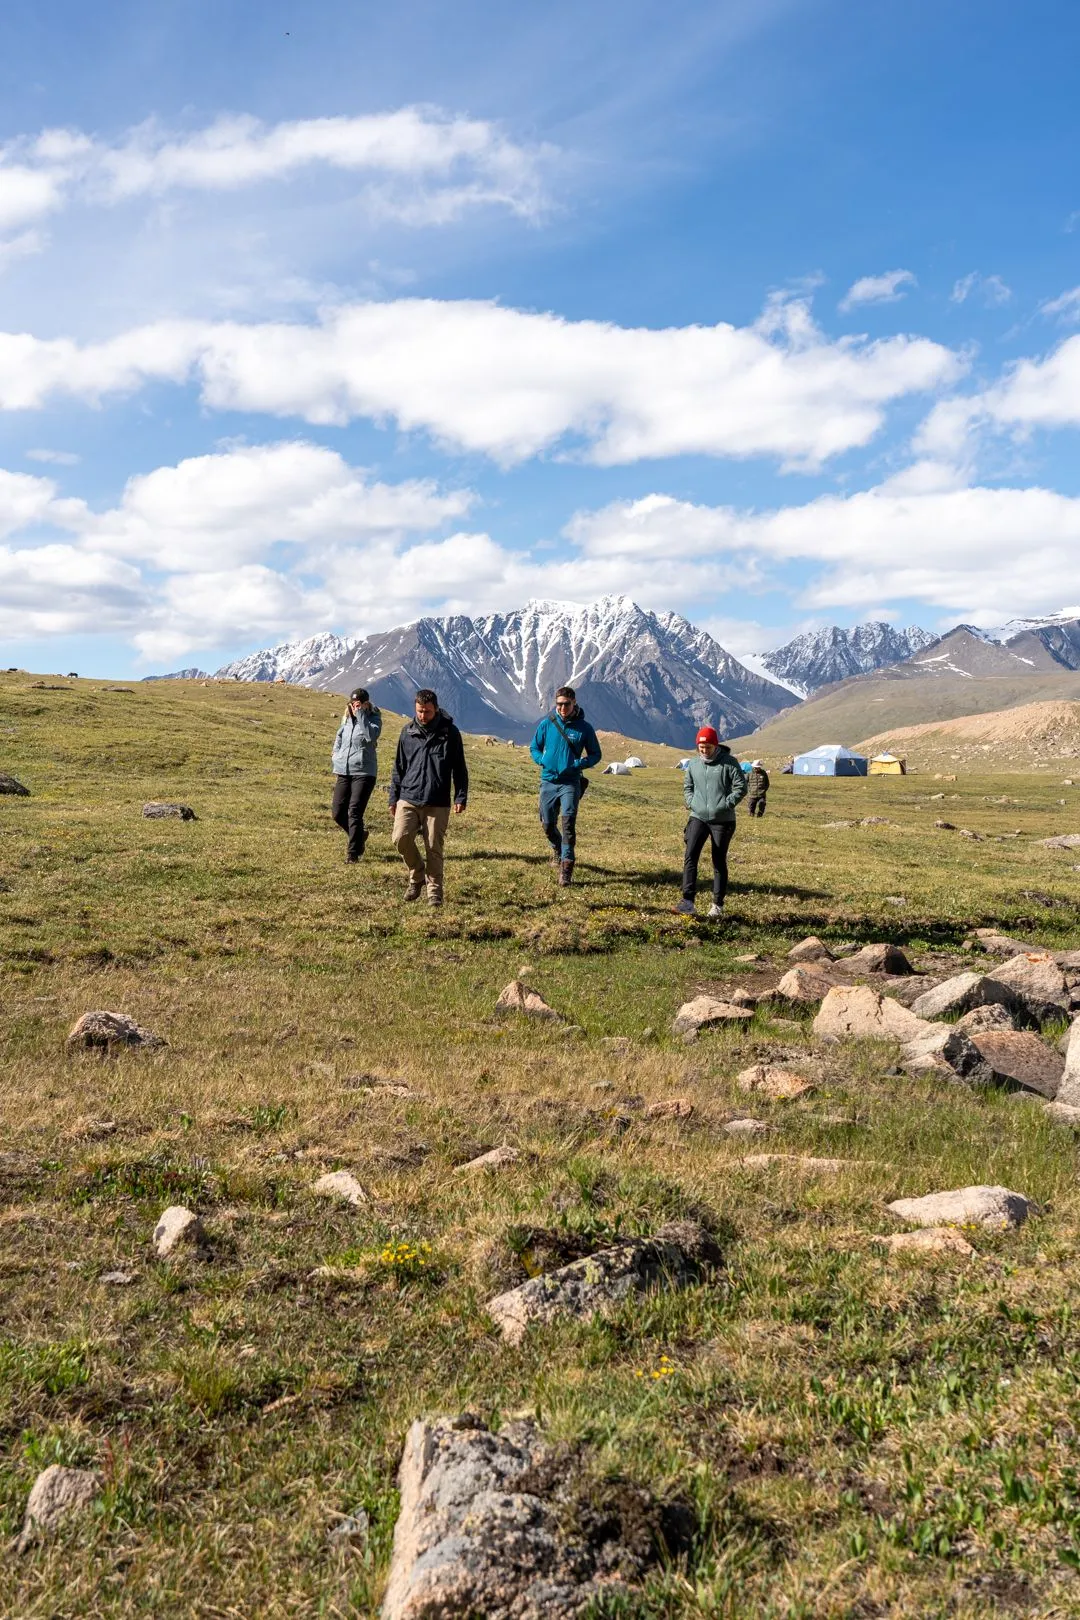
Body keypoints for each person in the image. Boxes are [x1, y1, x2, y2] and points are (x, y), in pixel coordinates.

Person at [388, 689, 468, 906]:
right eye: (420, 711)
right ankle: (417, 874)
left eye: (428, 712)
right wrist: (393, 797)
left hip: (437, 800)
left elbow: (459, 768)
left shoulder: (450, 733)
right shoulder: (407, 732)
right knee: (400, 838)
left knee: (434, 847)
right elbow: (399, 767)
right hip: (409, 796)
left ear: (436, 709)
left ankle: (434, 891)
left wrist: (460, 797)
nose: (423, 716)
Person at [530, 685, 602, 886]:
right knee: (547, 824)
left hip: (570, 783)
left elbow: (596, 754)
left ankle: (566, 870)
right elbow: (534, 747)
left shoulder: (584, 728)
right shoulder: (547, 724)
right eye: (559, 704)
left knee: (568, 825)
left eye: (566, 704)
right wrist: (541, 760)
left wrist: (580, 764)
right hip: (548, 781)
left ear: (574, 703)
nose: (562, 708)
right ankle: (557, 848)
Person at [677, 725, 747, 917]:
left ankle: (717, 905)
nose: (704, 751)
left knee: (718, 860)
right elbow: (687, 786)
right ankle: (688, 901)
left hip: (722, 820)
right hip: (698, 816)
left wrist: (725, 805)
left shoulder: (729, 763)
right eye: (701, 748)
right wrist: (691, 802)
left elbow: (741, 787)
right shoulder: (693, 764)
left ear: (715, 745)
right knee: (690, 856)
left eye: (708, 747)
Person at [331, 687, 382, 862]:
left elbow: (371, 736)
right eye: (353, 704)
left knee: (354, 812)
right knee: (338, 812)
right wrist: (336, 754)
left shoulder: (374, 718)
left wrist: (360, 715)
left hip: (364, 771)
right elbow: (339, 736)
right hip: (344, 770)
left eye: (359, 704)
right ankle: (360, 835)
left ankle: (353, 854)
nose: (355, 706)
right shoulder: (346, 718)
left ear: (366, 703)